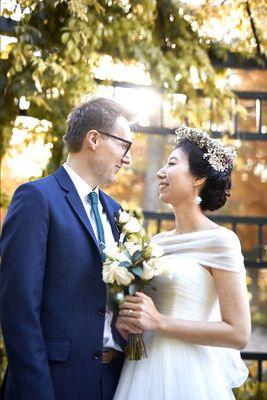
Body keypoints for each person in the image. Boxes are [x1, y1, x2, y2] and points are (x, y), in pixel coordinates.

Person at [0, 97, 135, 400]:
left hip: (113, 383)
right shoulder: (37, 198)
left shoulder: (118, 213)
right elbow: (18, 309)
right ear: (94, 139)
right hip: (53, 383)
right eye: (124, 145)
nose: (127, 159)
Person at [114, 125, 251, 400]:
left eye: (172, 163)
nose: (160, 172)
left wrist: (160, 322)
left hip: (189, 375)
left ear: (197, 178)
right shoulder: (155, 244)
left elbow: (238, 332)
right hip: (141, 368)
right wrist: (128, 320)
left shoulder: (221, 241)